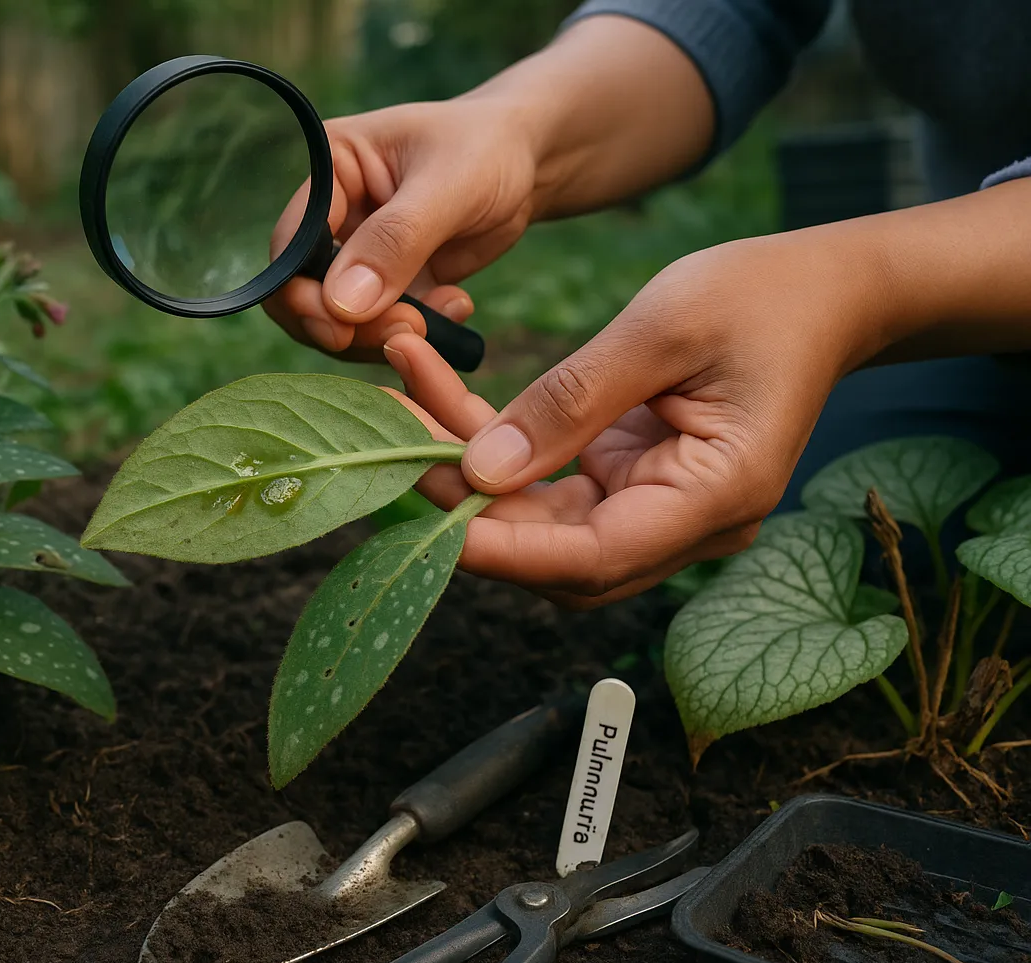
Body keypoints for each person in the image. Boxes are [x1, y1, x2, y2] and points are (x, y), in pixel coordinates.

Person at [264, 2, 1031, 609]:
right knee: (785, 519)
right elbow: (735, 7)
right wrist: (520, 129)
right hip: (979, 313)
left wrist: (854, 290)